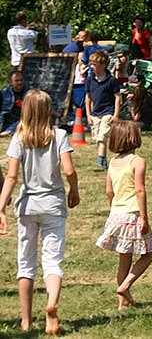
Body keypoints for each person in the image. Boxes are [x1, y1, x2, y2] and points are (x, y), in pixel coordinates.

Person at [0, 89, 80, 335]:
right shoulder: (60, 135)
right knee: (52, 261)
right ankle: (52, 304)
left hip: (27, 206)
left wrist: (0, 207)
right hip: (53, 205)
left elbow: (12, 176)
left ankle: (25, 321)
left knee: (26, 264)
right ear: (48, 111)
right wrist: (74, 190)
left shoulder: (19, 137)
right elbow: (68, 170)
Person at [95, 120, 152, 310]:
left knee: (125, 258)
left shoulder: (112, 162)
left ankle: (124, 303)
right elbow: (140, 190)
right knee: (149, 253)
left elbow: (108, 191)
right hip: (132, 214)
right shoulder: (137, 162)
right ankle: (125, 286)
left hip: (116, 213)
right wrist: (144, 218)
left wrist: (113, 209)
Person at [85, 50, 121, 171]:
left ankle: (100, 162)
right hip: (95, 113)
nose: (92, 66)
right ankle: (104, 160)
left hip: (108, 112)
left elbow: (117, 97)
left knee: (102, 137)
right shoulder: (90, 79)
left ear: (103, 65)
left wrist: (115, 114)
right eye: (91, 64)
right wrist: (88, 115)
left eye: (94, 64)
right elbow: (88, 98)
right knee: (97, 138)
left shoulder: (111, 80)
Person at [1, 70, 30, 136]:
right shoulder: (4, 92)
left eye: (21, 80)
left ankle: (8, 132)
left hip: (22, 121)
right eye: (16, 80)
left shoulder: (30, 93)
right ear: (10, 81)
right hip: (5, 121)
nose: (19, 82)